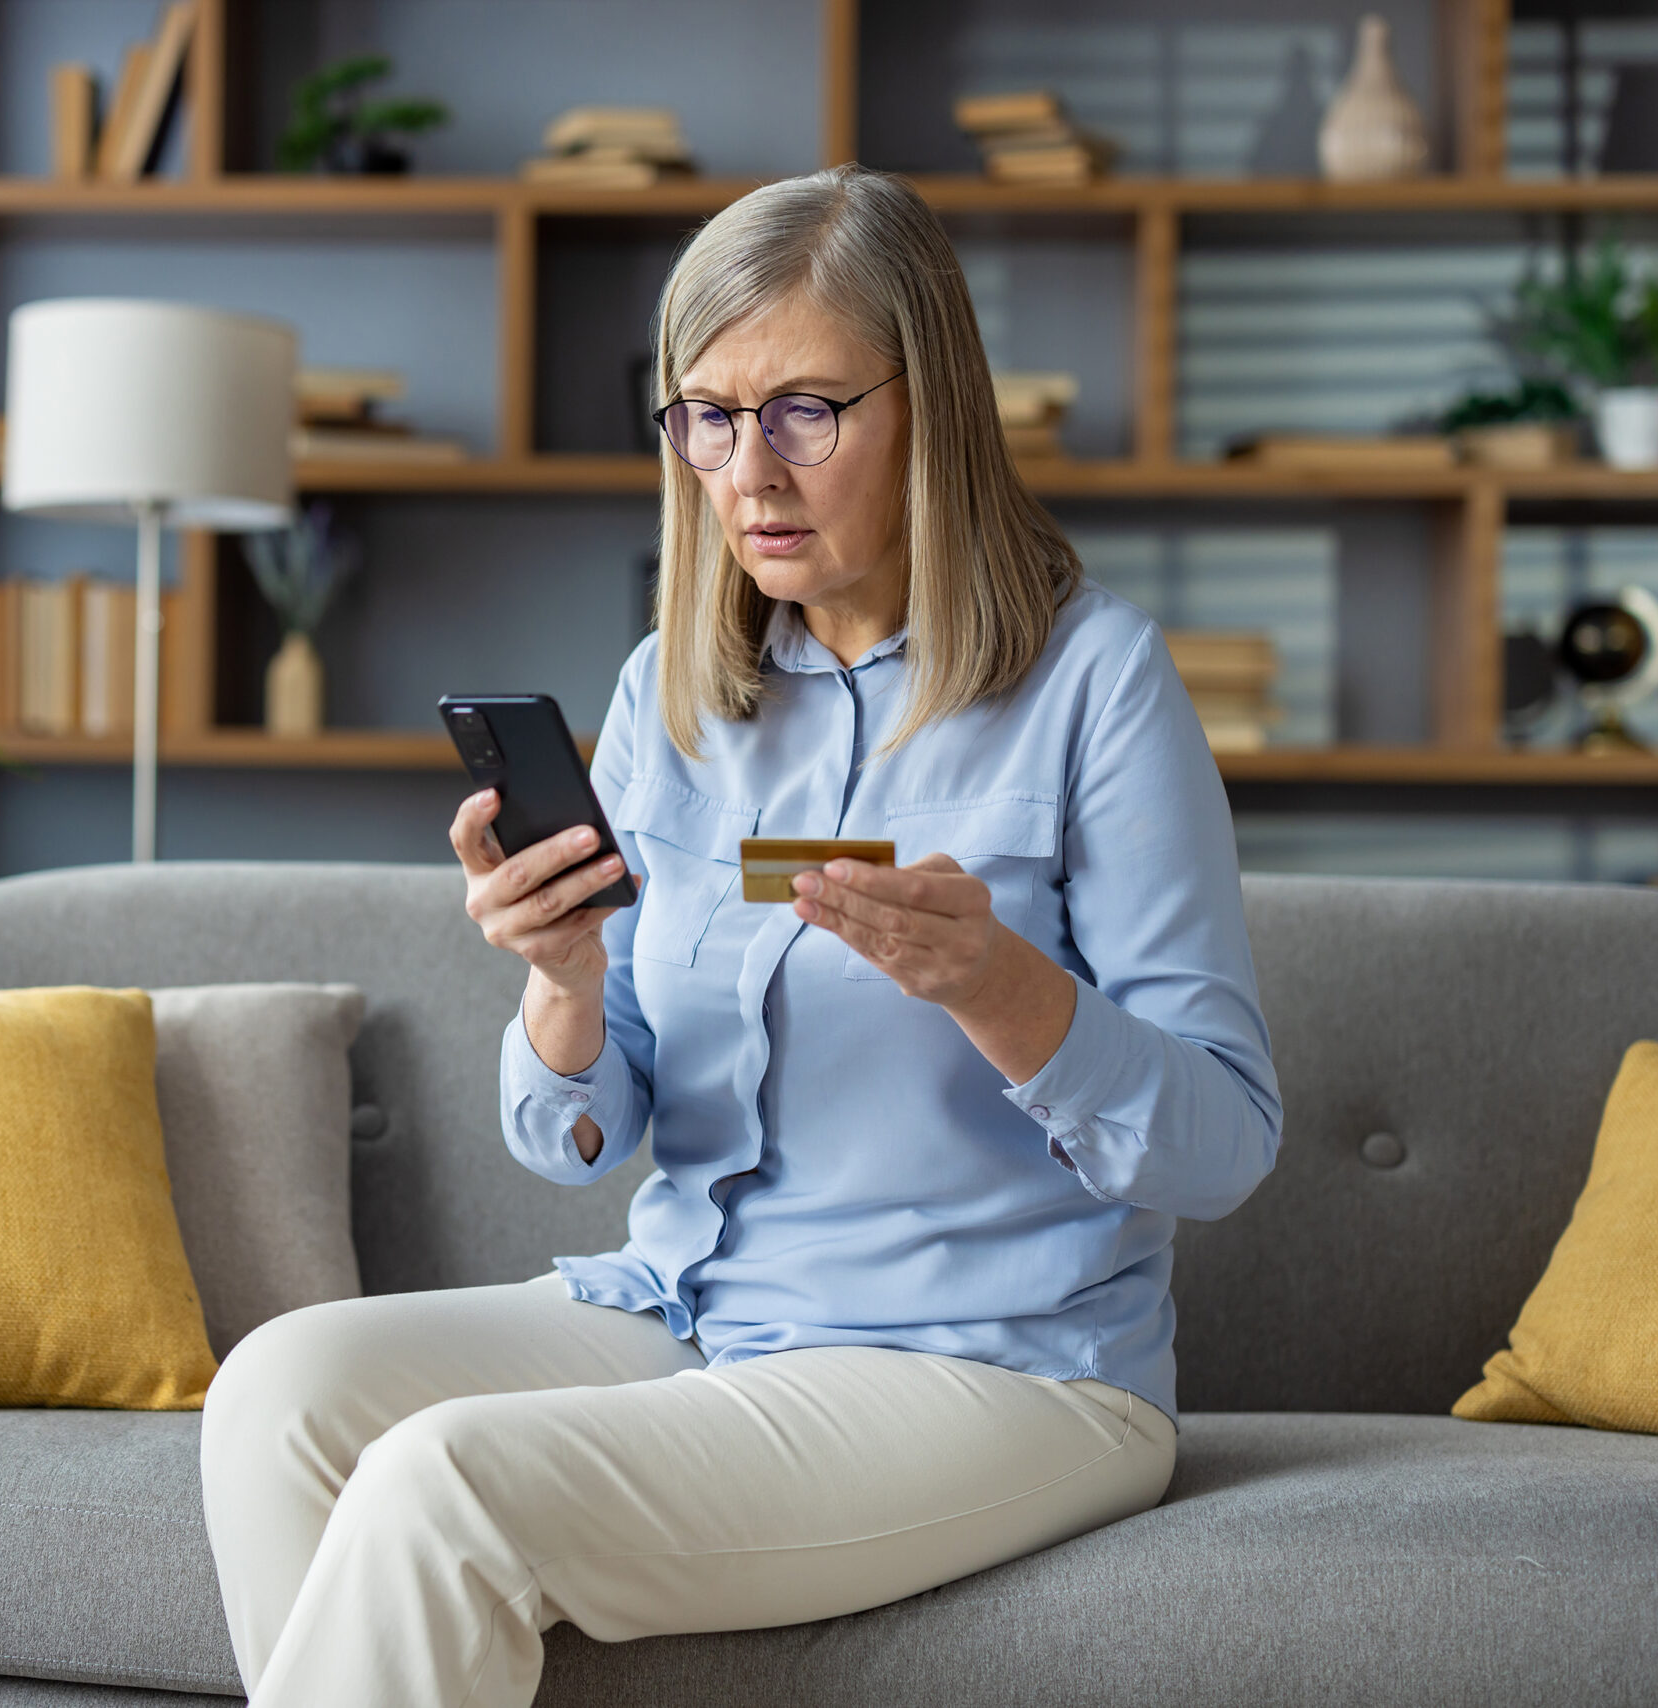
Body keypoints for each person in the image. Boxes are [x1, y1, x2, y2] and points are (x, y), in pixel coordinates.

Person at [199, 164, 1282, 1708]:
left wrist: (1002, 989)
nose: (748, 470)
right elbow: (583, 1130)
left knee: (446, 1487)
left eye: (804, 410)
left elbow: (1225, 1142)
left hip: (995, 1370)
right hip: (696, 1310)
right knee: (279, 1391)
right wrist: (564, 983)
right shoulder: (677, 692)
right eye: (706, 414)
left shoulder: (1096, 684)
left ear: (933, 407)